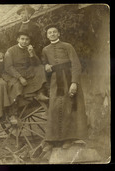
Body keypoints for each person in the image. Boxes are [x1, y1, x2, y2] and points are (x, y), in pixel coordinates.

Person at [32, 24, 88, 158]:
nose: (52, 34)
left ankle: (69, 138)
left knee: (70, 108)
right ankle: (53, 139)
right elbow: (44, 62)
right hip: (56, 82)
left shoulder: (68, 46)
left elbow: (76, 64)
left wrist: (74, 82)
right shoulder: (45, 49)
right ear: (47, 35)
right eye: (49, 32)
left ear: (58, 34)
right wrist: (46, 65)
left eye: (54, 32)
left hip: (69, 78)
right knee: (55, 108)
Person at [3, 30, 49, 105]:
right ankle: (14, 112)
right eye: (22, 39)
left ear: (29, 41)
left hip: (27, 71)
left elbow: (37, 64)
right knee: (16, 86)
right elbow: (8, 67)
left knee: (40, 68)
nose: (24, 41)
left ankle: (40, 93)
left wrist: (31, 54)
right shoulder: (10, 51)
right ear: (18, 39)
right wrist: (20, 77)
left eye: (27, 39)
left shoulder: (29, 49)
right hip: (14, 73)